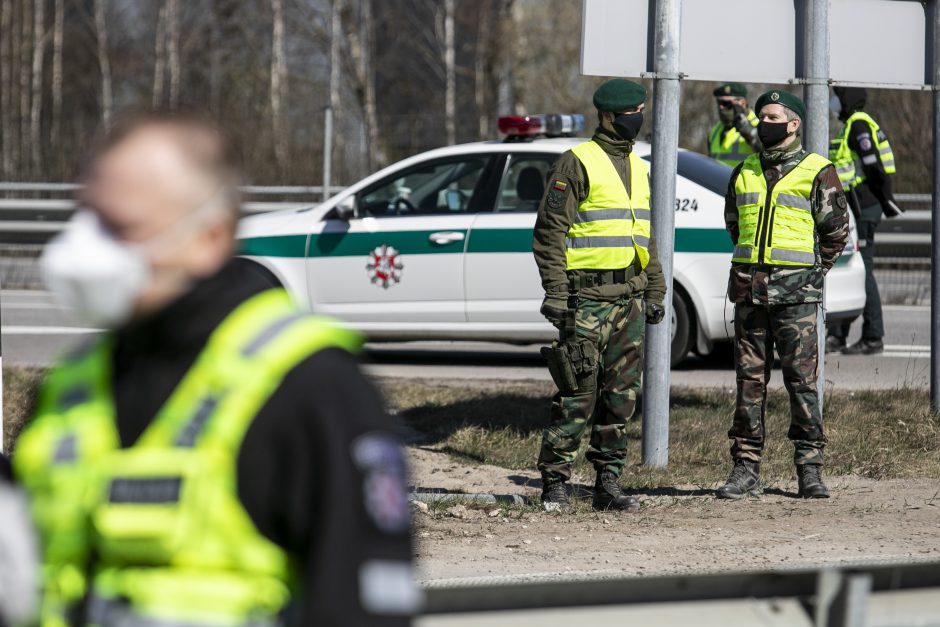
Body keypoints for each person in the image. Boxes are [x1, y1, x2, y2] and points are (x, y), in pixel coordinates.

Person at [14, 111, 417, 626]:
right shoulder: (72, 385)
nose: (85, 250)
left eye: (119, 228)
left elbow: (364, 607)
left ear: (208, 237)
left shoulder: (307, 385)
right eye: (85, 219)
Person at [533, 79, 666, 513]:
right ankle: (555, 482)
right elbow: (550, 233)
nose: (638, 119)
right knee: (577, 394)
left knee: (621, 397)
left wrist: (655, 286)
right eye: (632, 112)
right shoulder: (576, 163)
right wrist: (555, 291)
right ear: (608, 115)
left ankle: (607, 483)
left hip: (628, 298)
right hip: (586, 301)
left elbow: (642, 236)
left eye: (641, 110)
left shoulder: (640, 167)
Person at [718, 90, 849, 501]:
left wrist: (811, 274)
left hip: (797, 298)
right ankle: (745, 468)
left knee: (802, 383)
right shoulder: (744, 170)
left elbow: (835, 231)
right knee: (749, 384)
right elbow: (734, 224)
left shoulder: (817, 170)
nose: (763, 122)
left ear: (793, 124)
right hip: (749, 295)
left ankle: (809, 469)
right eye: (761, 116)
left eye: (773, 116)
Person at [825, 86, 900, 356]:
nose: (833, 101)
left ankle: (872, 336)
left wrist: (885, 199)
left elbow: (873, 165)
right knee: (846, 268)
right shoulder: (851, 126)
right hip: (853, 207)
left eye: (837, 95)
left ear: (846, 99)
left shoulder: (858, 125)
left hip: (863, 207)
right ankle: (837, 335)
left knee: (863, 269)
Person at [707, 82, 761, 166]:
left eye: (726, 103)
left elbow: (768, 153)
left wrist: (749, 132)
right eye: (719, 103)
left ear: (742, 103)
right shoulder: (715, 129)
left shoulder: (759, 125)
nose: (721, 107)